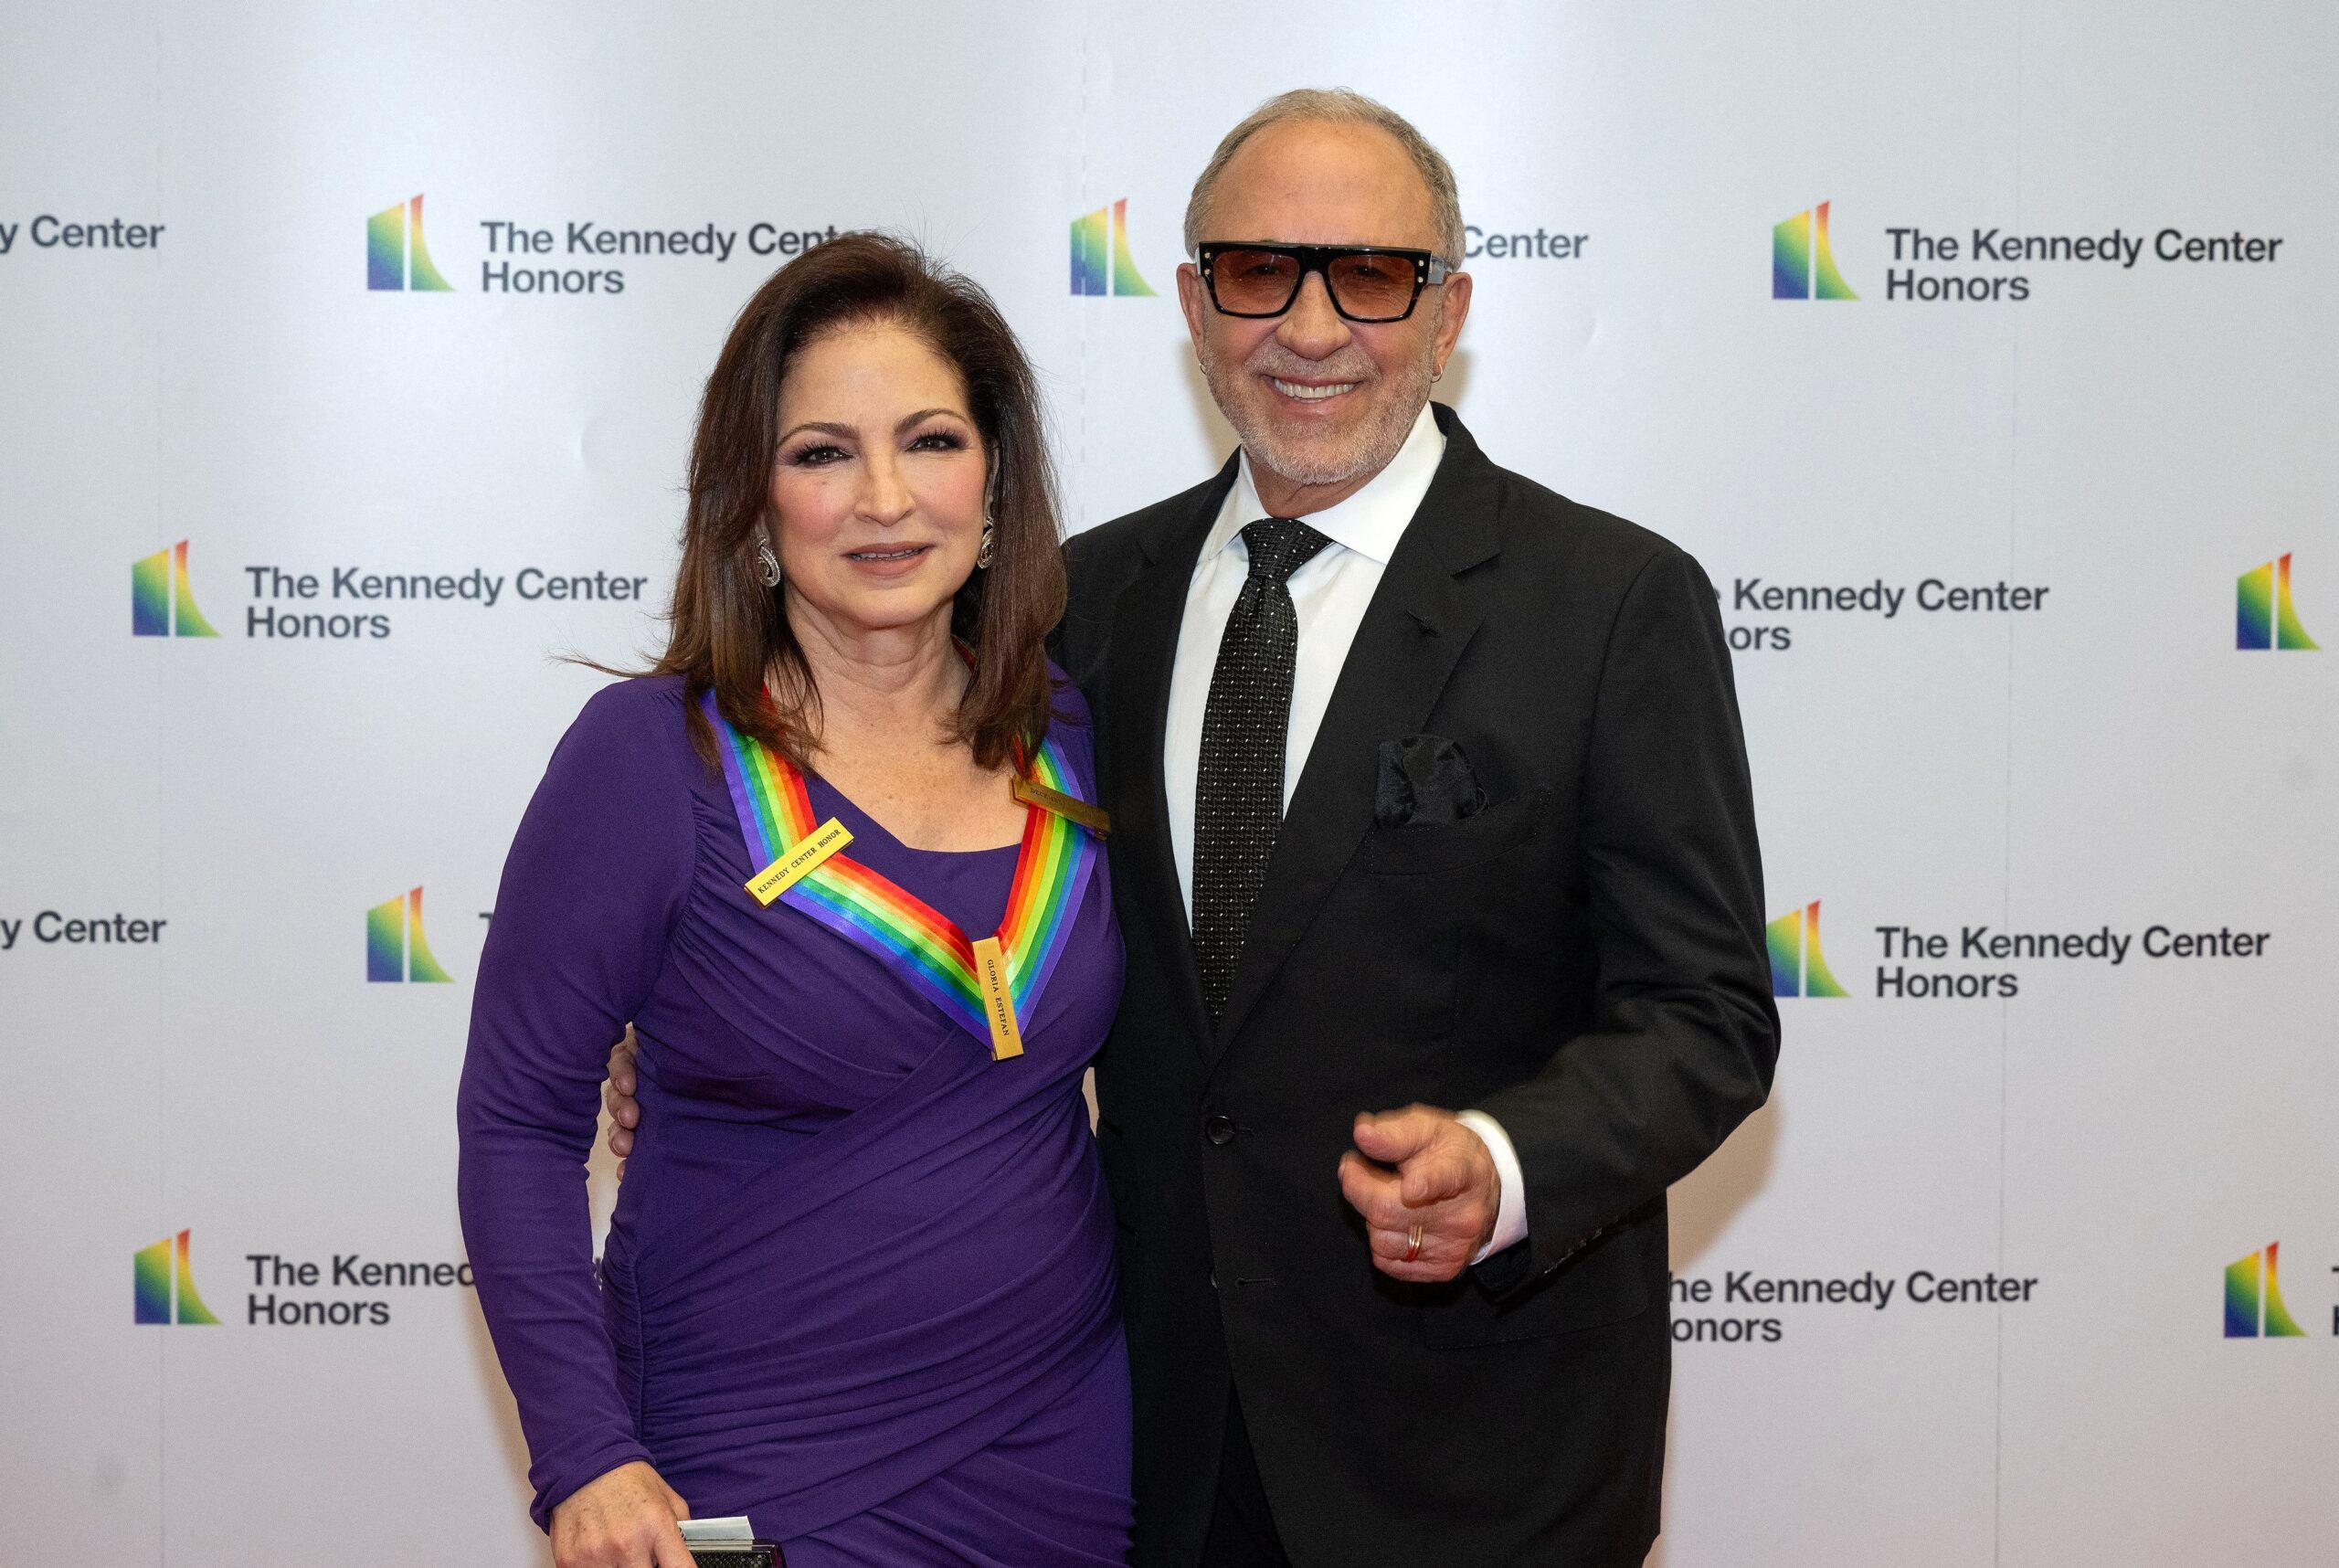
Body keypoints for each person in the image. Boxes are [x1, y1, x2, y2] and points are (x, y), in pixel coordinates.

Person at [611, 89, 1776, 1566]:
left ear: (1449, 309)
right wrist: (710, 1029)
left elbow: (1708, 1013)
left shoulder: (1609, 606)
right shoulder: (1074, 607)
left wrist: (1505, 1157)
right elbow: (948, 886)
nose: (1308, 325)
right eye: (1255, 270)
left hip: (1477, 1457)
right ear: (1191, 302)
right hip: (1145, 1442)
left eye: (1368, 274)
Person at [458, 233, 1130, 1568]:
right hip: (751, 1459)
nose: (885, 496)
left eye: (931, 440)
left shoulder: (1074, 730)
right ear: (755, 508)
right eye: (824, 453)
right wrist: (586, 1456)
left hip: (1071, 1449)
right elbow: (519, 1124)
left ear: (996, 486)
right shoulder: (651, 761)